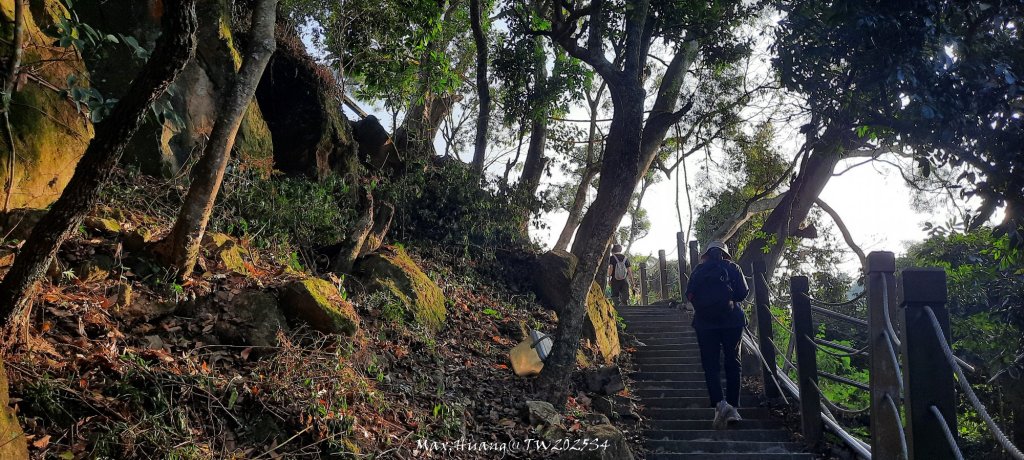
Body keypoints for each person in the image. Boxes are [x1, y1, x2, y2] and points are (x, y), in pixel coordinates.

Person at [684, 241, 749, 430]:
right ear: (724, 254)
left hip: (705, 323)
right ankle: (733, 408)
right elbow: (743, 292)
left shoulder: (699, 269)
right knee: (733, 362)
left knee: (710, 365)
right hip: (732, 321)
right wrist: (730, 300)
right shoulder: (733, 267)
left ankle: (720, 405)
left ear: (706, 254)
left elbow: (689, 293)